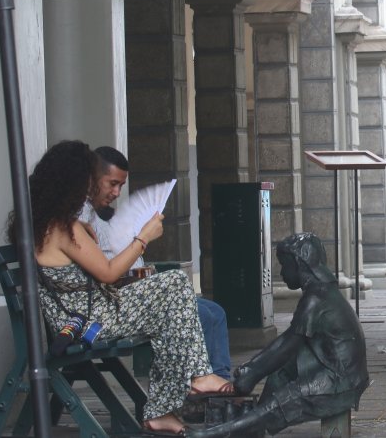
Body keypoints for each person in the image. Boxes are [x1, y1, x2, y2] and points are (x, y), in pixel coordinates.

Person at [12, 140, 231, 435]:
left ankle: (167, 406)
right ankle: (194, 380)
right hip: (89, 321)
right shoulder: (65, 228)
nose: (89, 188)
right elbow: (108, 273)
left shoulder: (45, 224)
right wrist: (143, 237)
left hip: (79, 316)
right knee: (175, 283)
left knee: (170, 306)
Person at [187, 233, 369, 438]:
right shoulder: (321, 291)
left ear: (299, 263)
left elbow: (287, 344)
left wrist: (251, 373)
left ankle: (219, 432)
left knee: (280, 402)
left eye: (284, 264)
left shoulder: (316, 299)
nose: (281, 272)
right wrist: (252, 372)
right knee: (281, 371)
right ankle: (249, 423)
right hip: (336, 369)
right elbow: (286, 347)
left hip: (341, 381)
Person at [79, 146, 232, 379]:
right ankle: (201, 383)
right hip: (110, 306)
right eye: (112, 183)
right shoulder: (79, 220)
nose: (117, 192)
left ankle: (218, 380)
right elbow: (105, 273)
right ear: (90, 178)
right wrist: (143, 239)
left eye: (121, 185)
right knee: (195, 307)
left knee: (215, 311)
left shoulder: (96, 215)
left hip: (123, 296)